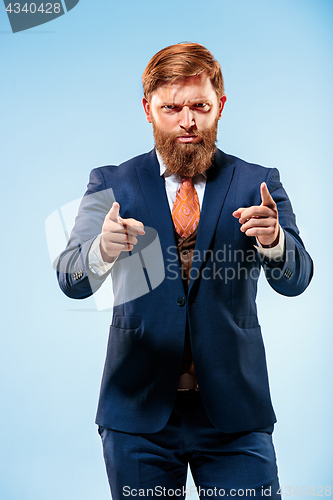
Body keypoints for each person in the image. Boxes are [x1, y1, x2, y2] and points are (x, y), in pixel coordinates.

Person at [57, 42, 313, 499]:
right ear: (148, 109)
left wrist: (274, 242)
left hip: (236, 416)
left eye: (200, 105)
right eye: (171, 108)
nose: (188, 121)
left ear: (221, 106)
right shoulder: (110, 182)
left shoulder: (259, 181)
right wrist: (101, 249)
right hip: (137, 416)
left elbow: (297, 279)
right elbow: (71, 279)